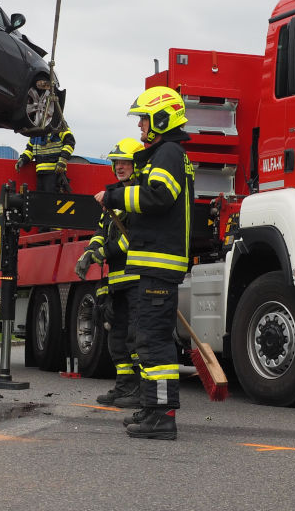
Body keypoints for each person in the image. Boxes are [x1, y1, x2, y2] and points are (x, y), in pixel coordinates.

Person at [96, 87, 194, 441]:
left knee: (154, 344)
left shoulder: (167, 152)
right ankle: (153, 409)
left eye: (144, 118)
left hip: (158, 266)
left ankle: (163, 416)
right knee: (147, 340)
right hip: (155, 265)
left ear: (162, 118)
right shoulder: (166, 153)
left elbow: (158, 195)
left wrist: (114, 195)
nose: (140, 125)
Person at [77, 137, 144, 408]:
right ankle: (123, 387)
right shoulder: (113, 196)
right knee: (116, 337)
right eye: (116, 161)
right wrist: (89, 252)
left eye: (125, 161)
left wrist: (103, 253)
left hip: (136, 277)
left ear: (136, 164)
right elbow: (100, 231)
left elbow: (133, 238)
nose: (120, 166)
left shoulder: (139, 195)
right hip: (116, 279)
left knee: (135, 337)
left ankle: (139, 390)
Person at [16, 121, 75, 193]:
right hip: (40, 172)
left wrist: (63, 161)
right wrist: (22, 160)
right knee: (42, 200)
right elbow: (30, 149)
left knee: (51, 200)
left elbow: (70, 143)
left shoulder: (59, 124)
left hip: (55, 172)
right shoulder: (35, 129)